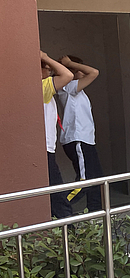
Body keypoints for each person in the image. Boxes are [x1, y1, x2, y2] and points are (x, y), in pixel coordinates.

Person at [57, 55, 103, 212]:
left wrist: (72, 65)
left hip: (86, 139)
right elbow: (94, 72)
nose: (82, 73)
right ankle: (59, 210)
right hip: (77, 139)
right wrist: (69, 63)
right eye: (79, 70)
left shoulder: (77, 90)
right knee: (84, 182)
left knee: (96, 180)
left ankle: (95, 214)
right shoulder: (68, 87)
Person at [41, 51, 74, 218]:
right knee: (57, 193)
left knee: (52, 192)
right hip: (44, 149)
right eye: (48, 69)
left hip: (47, 147)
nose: (51, 72)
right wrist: (45, 57)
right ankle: (67, 225)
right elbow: (68, 75)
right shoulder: (42, 86)